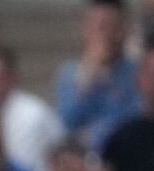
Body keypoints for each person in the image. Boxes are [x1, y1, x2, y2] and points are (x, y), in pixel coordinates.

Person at [57, 0, 141, 151]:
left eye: (113, 27)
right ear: (86, 29)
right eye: (100, 27)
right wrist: (87, 79)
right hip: (84, 158)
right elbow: (67, 122)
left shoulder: (138, 73)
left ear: (124, 30)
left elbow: (137, 119)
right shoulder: (69, 74)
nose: (106, 35)